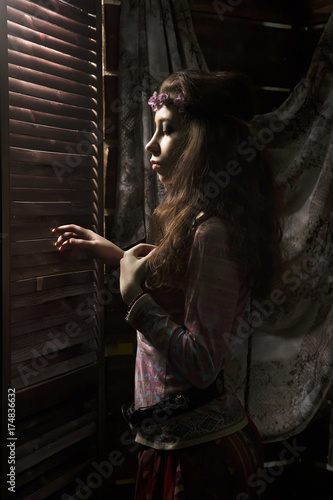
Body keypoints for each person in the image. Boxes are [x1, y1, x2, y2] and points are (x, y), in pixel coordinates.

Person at [53, 69, 283, 499]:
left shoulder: (212, 233)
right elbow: (178, 299)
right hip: (174, 446)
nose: (149, 145)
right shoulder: (196, 220)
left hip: (197, 461)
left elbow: (200, 364)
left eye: (167, 131)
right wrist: (118, 255)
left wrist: (133, 300)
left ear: (204, 142)